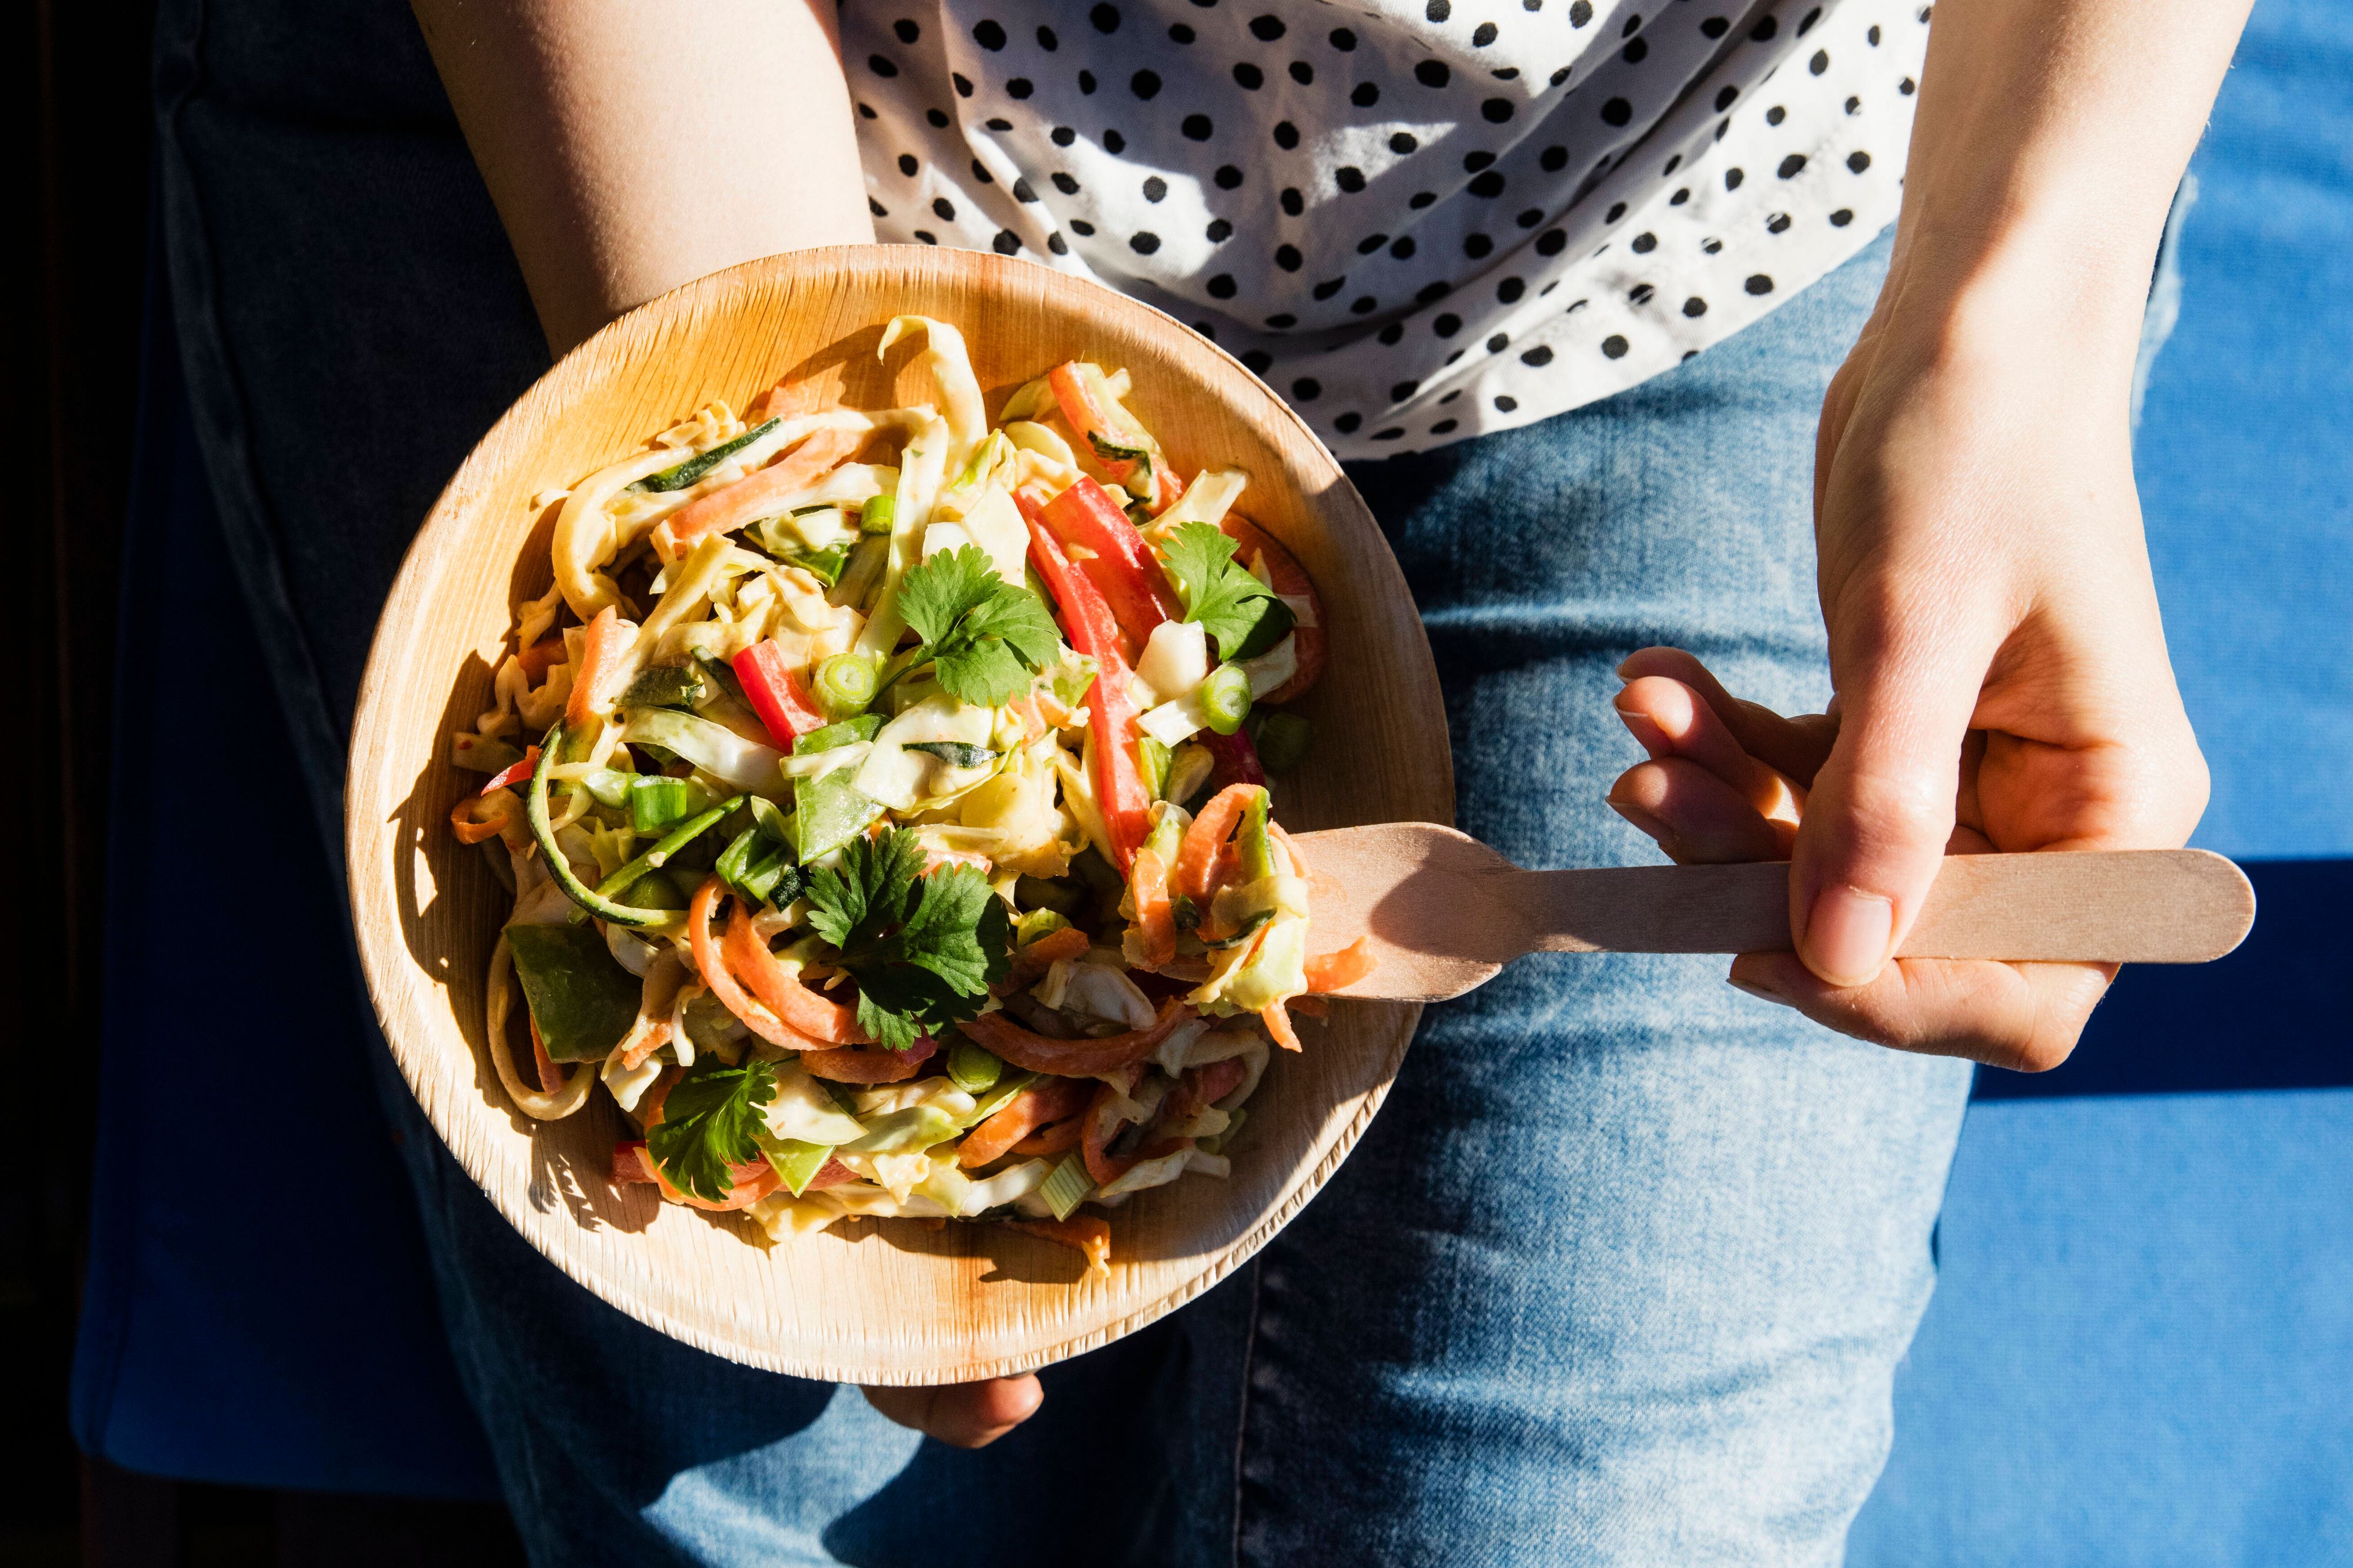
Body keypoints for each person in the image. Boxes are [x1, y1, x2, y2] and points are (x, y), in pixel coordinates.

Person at [155, 0, 2240, 1559]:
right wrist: (767, 540)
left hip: (1725, 204)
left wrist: (2010, 301)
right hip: (673, 111)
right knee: (761, 1516)